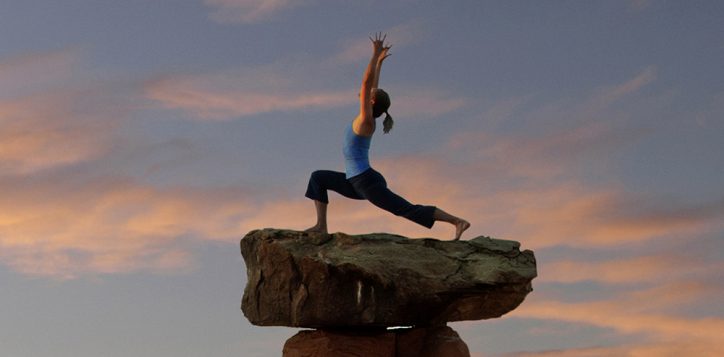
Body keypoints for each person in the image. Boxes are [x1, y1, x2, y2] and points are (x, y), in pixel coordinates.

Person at [304, 33, 470, 240]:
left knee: (405, 209)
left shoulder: (366, 122)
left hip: (366, 182)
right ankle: (321, 226)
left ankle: (457, 221)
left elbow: (366, 85)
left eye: (371, 95)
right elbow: (372, 86)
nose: (366, 93)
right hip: (353, 181)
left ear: (371, 102)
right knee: (318, 178)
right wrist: (380, 63)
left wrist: (373, 55)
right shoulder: (367, 116)